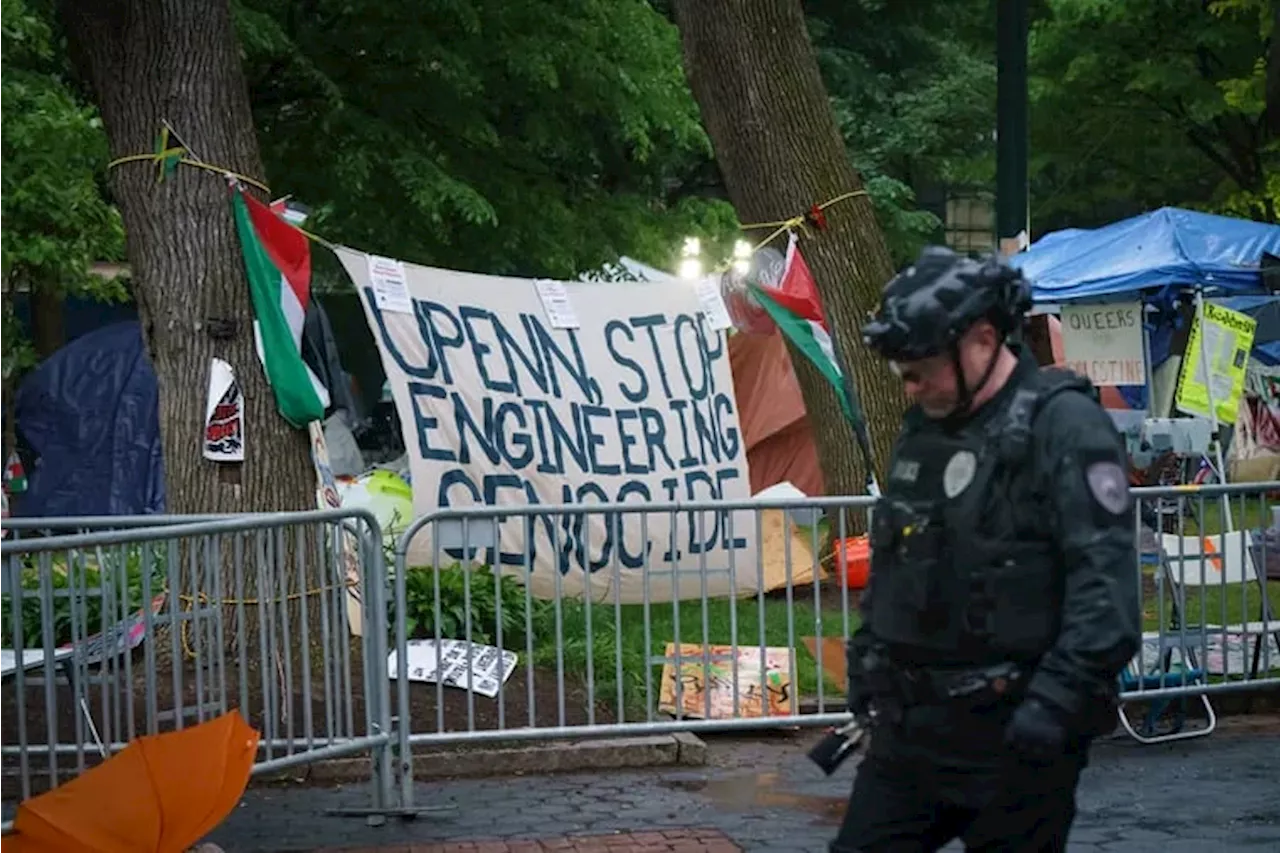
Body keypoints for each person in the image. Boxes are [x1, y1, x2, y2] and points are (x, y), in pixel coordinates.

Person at [830, 246, 1141, 853]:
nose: (910, 386)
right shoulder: (928, 427)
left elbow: (1104, 592)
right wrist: (869, 657)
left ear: (982, 338)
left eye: (920, 369)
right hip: (912, 733)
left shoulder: (1064, 427)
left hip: (1016, 733)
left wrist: (1051, 711)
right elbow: (899, 556)